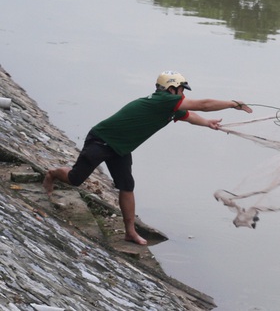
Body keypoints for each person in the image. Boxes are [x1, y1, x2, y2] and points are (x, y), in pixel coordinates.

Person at [43, 70, 252, 245]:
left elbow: (189, 116)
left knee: (127, 186)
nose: (183, 95)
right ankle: (52, 173)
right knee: (75, 179)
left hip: (121, 147)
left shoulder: (169, 106)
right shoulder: (164, 101)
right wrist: (234, 103)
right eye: (181, 90)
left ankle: (130, 232)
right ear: (172, 90)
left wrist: (207, 123)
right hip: (101, 139)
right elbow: (204, 104)